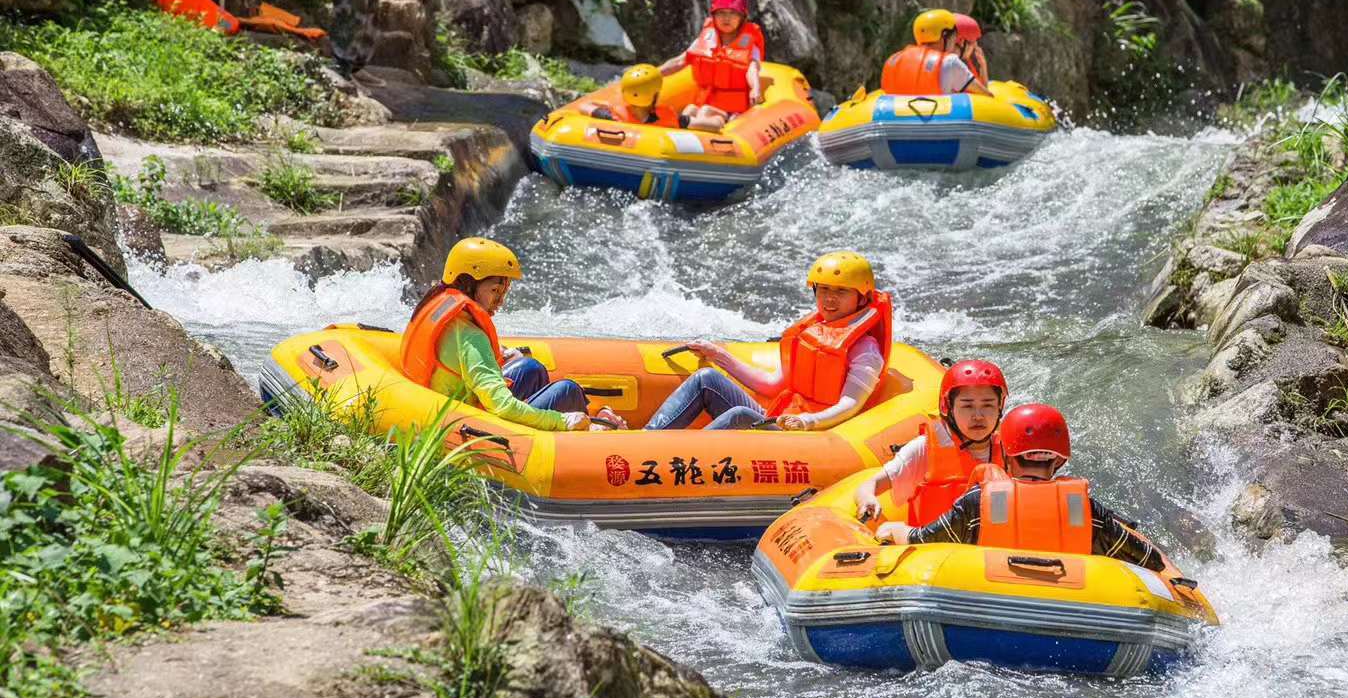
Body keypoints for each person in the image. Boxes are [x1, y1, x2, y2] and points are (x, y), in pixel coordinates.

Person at [876, 404, 1169, 572]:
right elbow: (1150, 560)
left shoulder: (978, 503)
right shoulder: (1085, 509)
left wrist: (893, 530)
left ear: (1007, 454)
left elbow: (924, 540)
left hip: (985, 608)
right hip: (1071, 610)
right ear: (1060, 459)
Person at [645, 251, 892, 432]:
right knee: (706, 379)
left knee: (740, 416)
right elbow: (771, 385)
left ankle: (675, 455)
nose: (829, 299)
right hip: (781, 420)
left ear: (862, 297)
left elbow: (850, 404)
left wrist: (808, 421)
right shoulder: (814, 332)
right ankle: (648, 440)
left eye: (841, 291)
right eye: (824, 289)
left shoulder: (865, 350)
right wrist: (718, 355)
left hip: (809, 434)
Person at [400, 237, 626, 432]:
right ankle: (591, 430)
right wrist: (561, 420)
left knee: (531, 368)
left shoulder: (447, 313)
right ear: (468, 283)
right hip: (471, 422)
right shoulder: (471, 338)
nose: (500, 301)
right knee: (567, 390)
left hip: (443, 402)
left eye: (504, 291)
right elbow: (503, 407)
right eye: (494, 291)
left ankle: (545, 416)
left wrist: (495, 353)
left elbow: (458, 356)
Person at [854, 359, 1006, 528]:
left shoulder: (1010, 453)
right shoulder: (924, 449)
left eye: (988, 405)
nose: (978, 415)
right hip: (932, 549)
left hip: (991, 549)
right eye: (967, 406)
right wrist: (867, 498)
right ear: (948, 407)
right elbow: (870, 485)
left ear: (1000, 407)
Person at [659, 0, 764, 132]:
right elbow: (680, 61)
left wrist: (755, 88)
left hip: (733, 108)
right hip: (706, 100)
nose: (726, 18)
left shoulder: (749, 43)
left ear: (742, 17)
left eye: (733, 13)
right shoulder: (707, 38)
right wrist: (656, 73)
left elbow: (752, 69)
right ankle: (681, 125)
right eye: (721, 13)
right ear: (713, 16)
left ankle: (686, 124)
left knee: (707, 112)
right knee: (690, 109)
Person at [879, 9, 988, 97]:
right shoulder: (950, 62)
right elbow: (986, 97)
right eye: (954, 36)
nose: (955, 40)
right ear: (944, 35)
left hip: (898, 122)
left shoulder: (893, 60)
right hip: (941, 122)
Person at [587, 64, 680, 127]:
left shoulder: (616, 115)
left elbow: (585, 106)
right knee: (691, 109)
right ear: (654, 96)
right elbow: (692, 124)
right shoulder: (667, 116)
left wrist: (605, 110)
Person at [953, 14, 991, 88]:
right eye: (972, 43)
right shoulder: (955, 65)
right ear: (962, 42)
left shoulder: (965, 62)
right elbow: (985, 93)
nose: (975, 47)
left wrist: (983, 66)